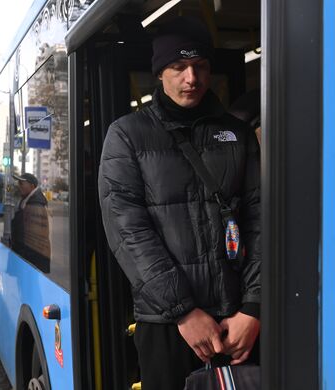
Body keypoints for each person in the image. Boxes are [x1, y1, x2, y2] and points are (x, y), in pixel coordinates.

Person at [98, 16, 261, 389]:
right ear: (159, 73)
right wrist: (185, 311)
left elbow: (259, 218)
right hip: (168, 326)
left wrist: (254, 307)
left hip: (237, 323)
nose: (192, 78)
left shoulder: (236, 134)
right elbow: (128, 231)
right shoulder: (127, 135)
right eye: (178, 67)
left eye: (200, 66)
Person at [11, 173, 51, 273]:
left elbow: (35, 237)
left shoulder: (36, 203)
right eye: (18, 183)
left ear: (32, 186)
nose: (19, 185)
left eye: (22, 183)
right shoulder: (27, 200)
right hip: (26, 256)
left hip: (30, 259)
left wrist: (22, 255)